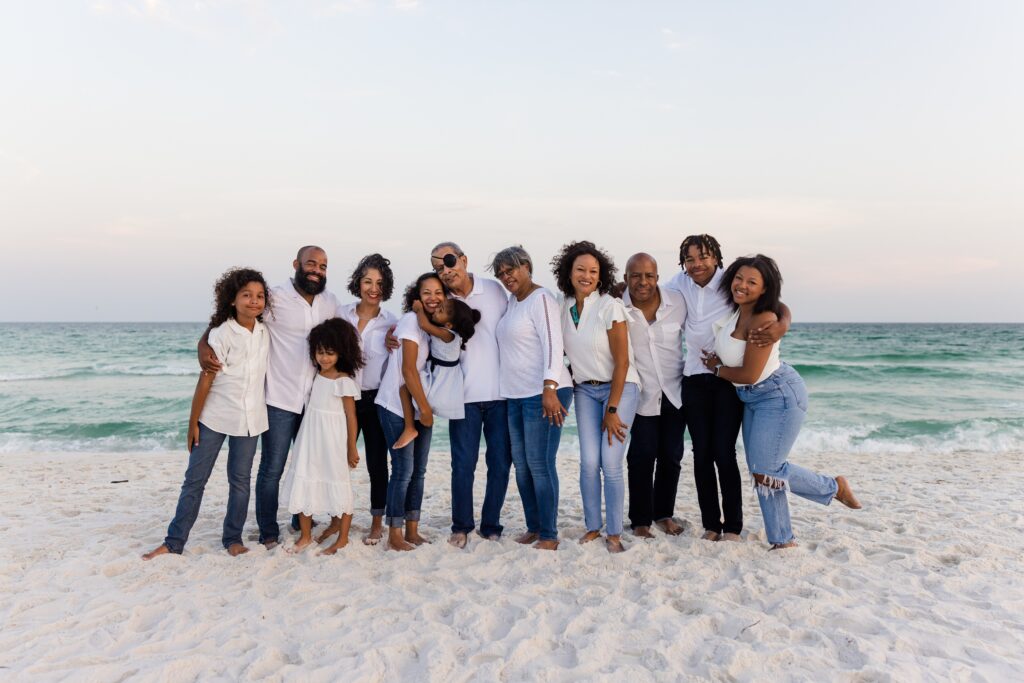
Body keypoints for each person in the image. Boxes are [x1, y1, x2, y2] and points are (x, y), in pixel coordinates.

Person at [702, 255, 861, 550]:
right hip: (752, 397)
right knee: (762, 470)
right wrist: (719, 361)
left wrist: (717, 369)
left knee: (767, 469)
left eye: (752, 282)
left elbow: (749, 374)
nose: (742, 285)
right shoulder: (738, 311)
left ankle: (833, 486)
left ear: (764, 289)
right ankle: (782, 540)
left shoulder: (764, 319)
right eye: (739, 278)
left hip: (778, 394)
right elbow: (781, 310)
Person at [199, 245, 342, 549]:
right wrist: (203, 347)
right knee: (272, 469)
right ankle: (268, 531)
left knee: (307, 465)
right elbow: (228, 320)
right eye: (311, 264)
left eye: (323, 266)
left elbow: (344, 337)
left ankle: (299, 520)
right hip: (279, 398)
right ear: (296, 264)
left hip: (314, 399)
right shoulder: (273, 297)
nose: (317, 270)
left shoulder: (330, 302)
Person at [664, 234, 791, 542]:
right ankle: (711, 525)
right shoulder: (679, 283)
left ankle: (732, 526)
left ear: (716, 258)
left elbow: (775, 302)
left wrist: (783, 323)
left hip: (726, 380)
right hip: (693, 377)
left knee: (724, 452)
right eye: (690, 259)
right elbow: (649, 291)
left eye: (704, 257)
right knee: (701, 454)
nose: (697, 264)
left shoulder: (730, 281)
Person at [143, 268, 271, 560]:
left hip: (250, 420)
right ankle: (174, 541)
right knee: (195, 480)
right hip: (213, 417)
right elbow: (205, 381)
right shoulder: (222, 333)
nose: (254, 301)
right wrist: (193, 424)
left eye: (260, 296)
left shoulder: (265, 331)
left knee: (240, 482)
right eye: (246, 295)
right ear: (232, 300)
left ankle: (233, 538)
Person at [551, 241, 641, 554]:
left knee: (611, 462)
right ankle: (593, 527)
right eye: (581, 270)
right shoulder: (562, 307)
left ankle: (614, 533)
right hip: (584, 390)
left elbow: (623, 362)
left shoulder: (610, 307)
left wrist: (613, 409)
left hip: (621, 388)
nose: (587, 275)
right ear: (569, 272)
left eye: (593, 271)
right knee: (589, 462)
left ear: (600, 276)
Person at [429, 242, 512, 549]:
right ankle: (461, 525)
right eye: (438, 266)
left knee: (500, 464)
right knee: (462, 465)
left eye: (449, 261)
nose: (445, 270)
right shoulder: (442, 300)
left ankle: (491, 525)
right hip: (461, 397)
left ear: (463, 260)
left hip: (500, 395)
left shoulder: (494, 290)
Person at [492, 246, 574, 551]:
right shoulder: (514, 303)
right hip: (515, 394)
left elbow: (554, 345)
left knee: (540, 464)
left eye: (511, 269)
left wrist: (550, 388)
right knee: (523, 466)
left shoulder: (541, 299)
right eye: (501, 273)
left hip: (545, 392)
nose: (506, 276)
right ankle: (534, 527)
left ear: (527, 266)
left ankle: (549, 535)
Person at [280, 318, 365, 555]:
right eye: (319, 352)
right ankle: (306, 536)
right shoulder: (317, 374)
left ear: (342, 352)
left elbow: (351, 417)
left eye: (330, 353)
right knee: (305, 479)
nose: (324, 358)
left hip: (333, 442)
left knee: (339, 483)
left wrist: (352, 447)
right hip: (310, 439)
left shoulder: (343, 381)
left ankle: (343, 538)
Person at [374, 273, 444, 551]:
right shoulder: (410, 322)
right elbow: (407, 370)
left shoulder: (428, 325)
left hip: (417, 407)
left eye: (438, 292)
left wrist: (424, 410)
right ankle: (395, 533)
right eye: (426, 292)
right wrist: (425, 411)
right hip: (394, 406)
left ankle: (413, 530)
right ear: (416, 296)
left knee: (419, 472)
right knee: (402, 470)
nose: (433, 298)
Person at [621, 253, 688, 538]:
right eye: (635, 276)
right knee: (641, 456)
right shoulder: (616, 308)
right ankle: (640, 521)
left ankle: (663, 514)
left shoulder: (678, 302)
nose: (643, 282)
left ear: (657, 277)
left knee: (671, 456)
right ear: (626, 279)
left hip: (675, 391)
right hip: (641, 394)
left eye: (649, 275)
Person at [337, 254, 398, 545]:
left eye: (379, 283)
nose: (373, 288)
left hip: (375, 401)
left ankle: (376, 523)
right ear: (358, 284)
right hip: (343, 398)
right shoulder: (341, 314)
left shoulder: (392, 323)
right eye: (367, 281)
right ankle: (337, 517)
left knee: (377, 463)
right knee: (337, 460)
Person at [393, 298, 480, 449]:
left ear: (448, 325)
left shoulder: (448, 334)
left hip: (440, 382)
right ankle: (414, 425)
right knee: (408, 392)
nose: (436, 310)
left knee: (404, 389)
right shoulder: (448, 333)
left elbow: (424, 324)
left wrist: (419, 308)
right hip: (440, 377)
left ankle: (409, 428)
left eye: (440, 311)